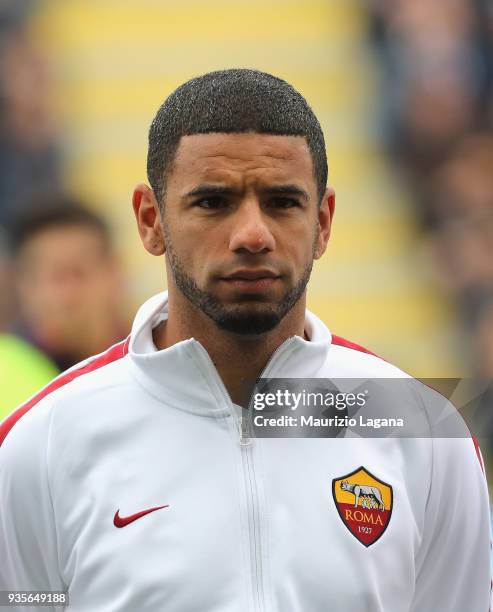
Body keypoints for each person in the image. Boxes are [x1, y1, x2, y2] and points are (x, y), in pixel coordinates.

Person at [0, 69, 490, 611]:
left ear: (324, 221)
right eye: (213, 202)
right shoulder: (40, 443)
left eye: (283, 202)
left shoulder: (423, 427)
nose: (252, 234)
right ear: (150, 220)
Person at [8, 196, 128, 371]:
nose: (67, 295)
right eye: (56, 277)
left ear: (114, 273)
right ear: (24, 286)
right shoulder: (9, 373)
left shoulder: (155, 354)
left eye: (78, 273)